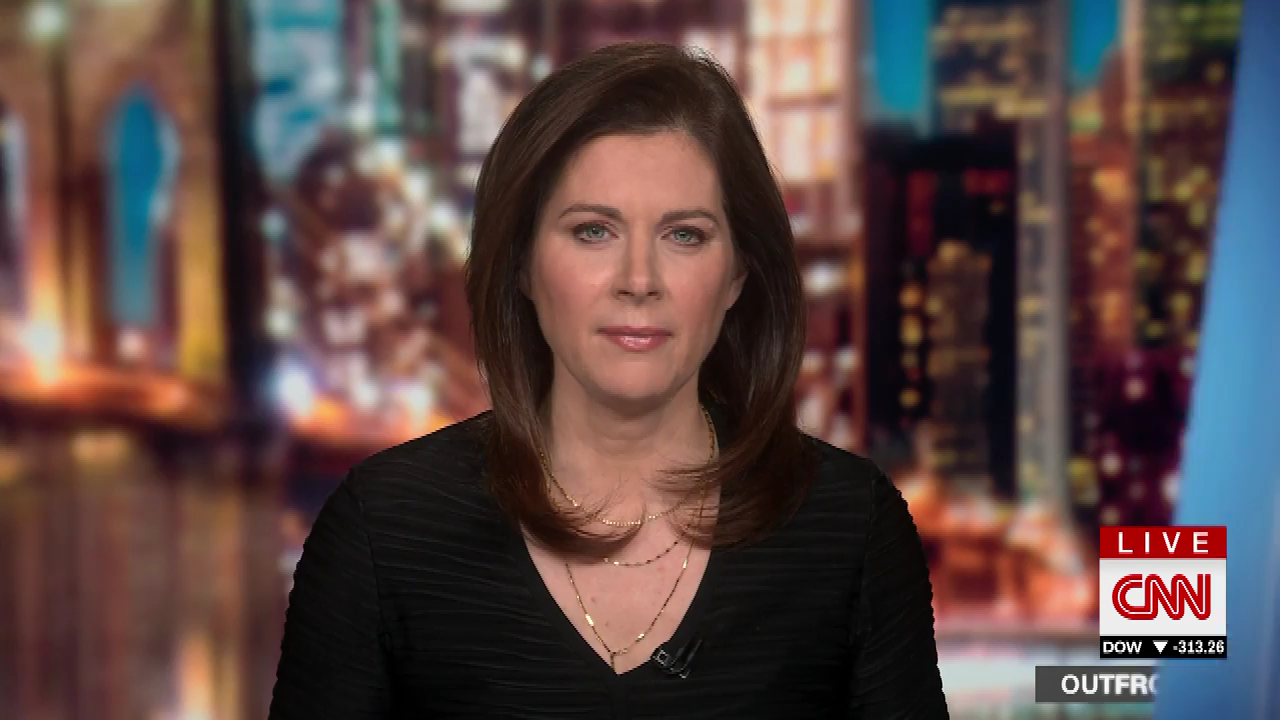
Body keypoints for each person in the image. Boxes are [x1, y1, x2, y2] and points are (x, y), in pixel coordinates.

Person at [269, 41, 949, 718]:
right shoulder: (382, 529)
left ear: (738, 274)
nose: (639, 281)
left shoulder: (852, 530)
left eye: (684, 235)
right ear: (522, 264)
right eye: (593, 231)